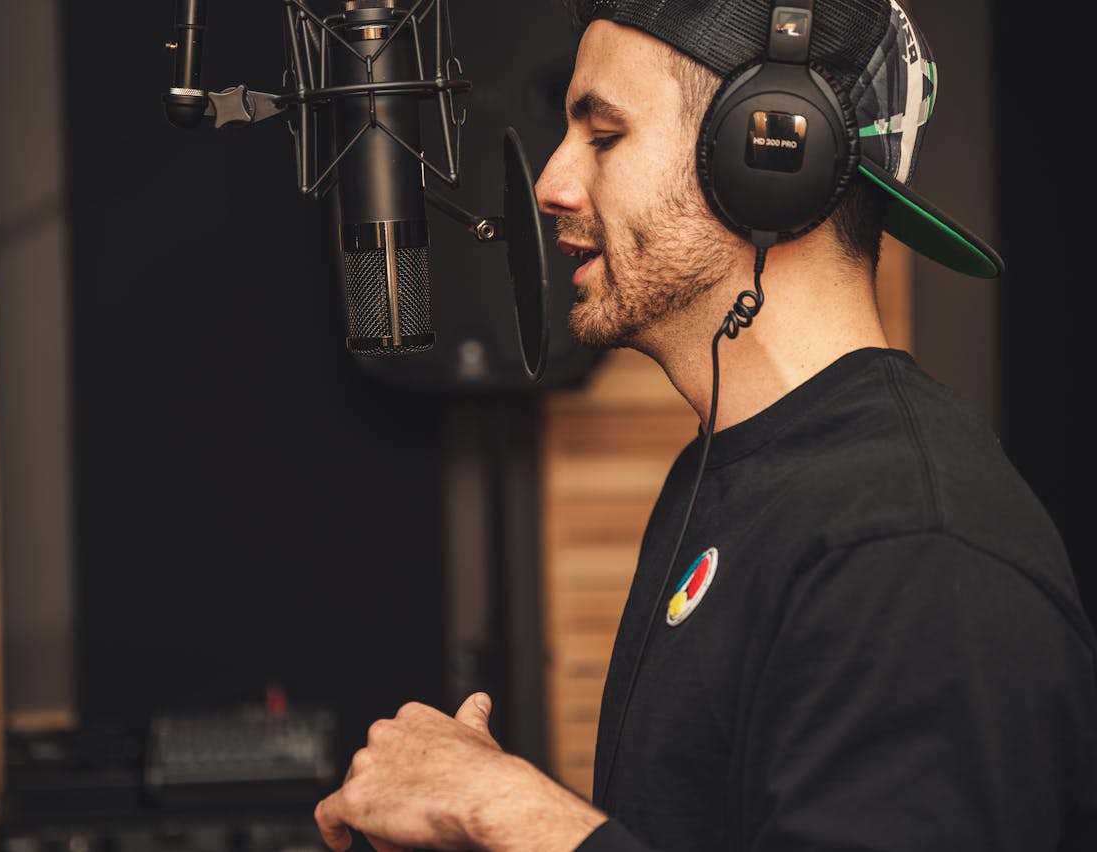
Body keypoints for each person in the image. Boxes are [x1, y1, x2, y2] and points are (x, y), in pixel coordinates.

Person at [313, 0, 1097, 849]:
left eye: (603, 136)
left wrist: (514, 812)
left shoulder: (911, 549)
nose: (551, 184)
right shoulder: (730, 477)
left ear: (770, 152)